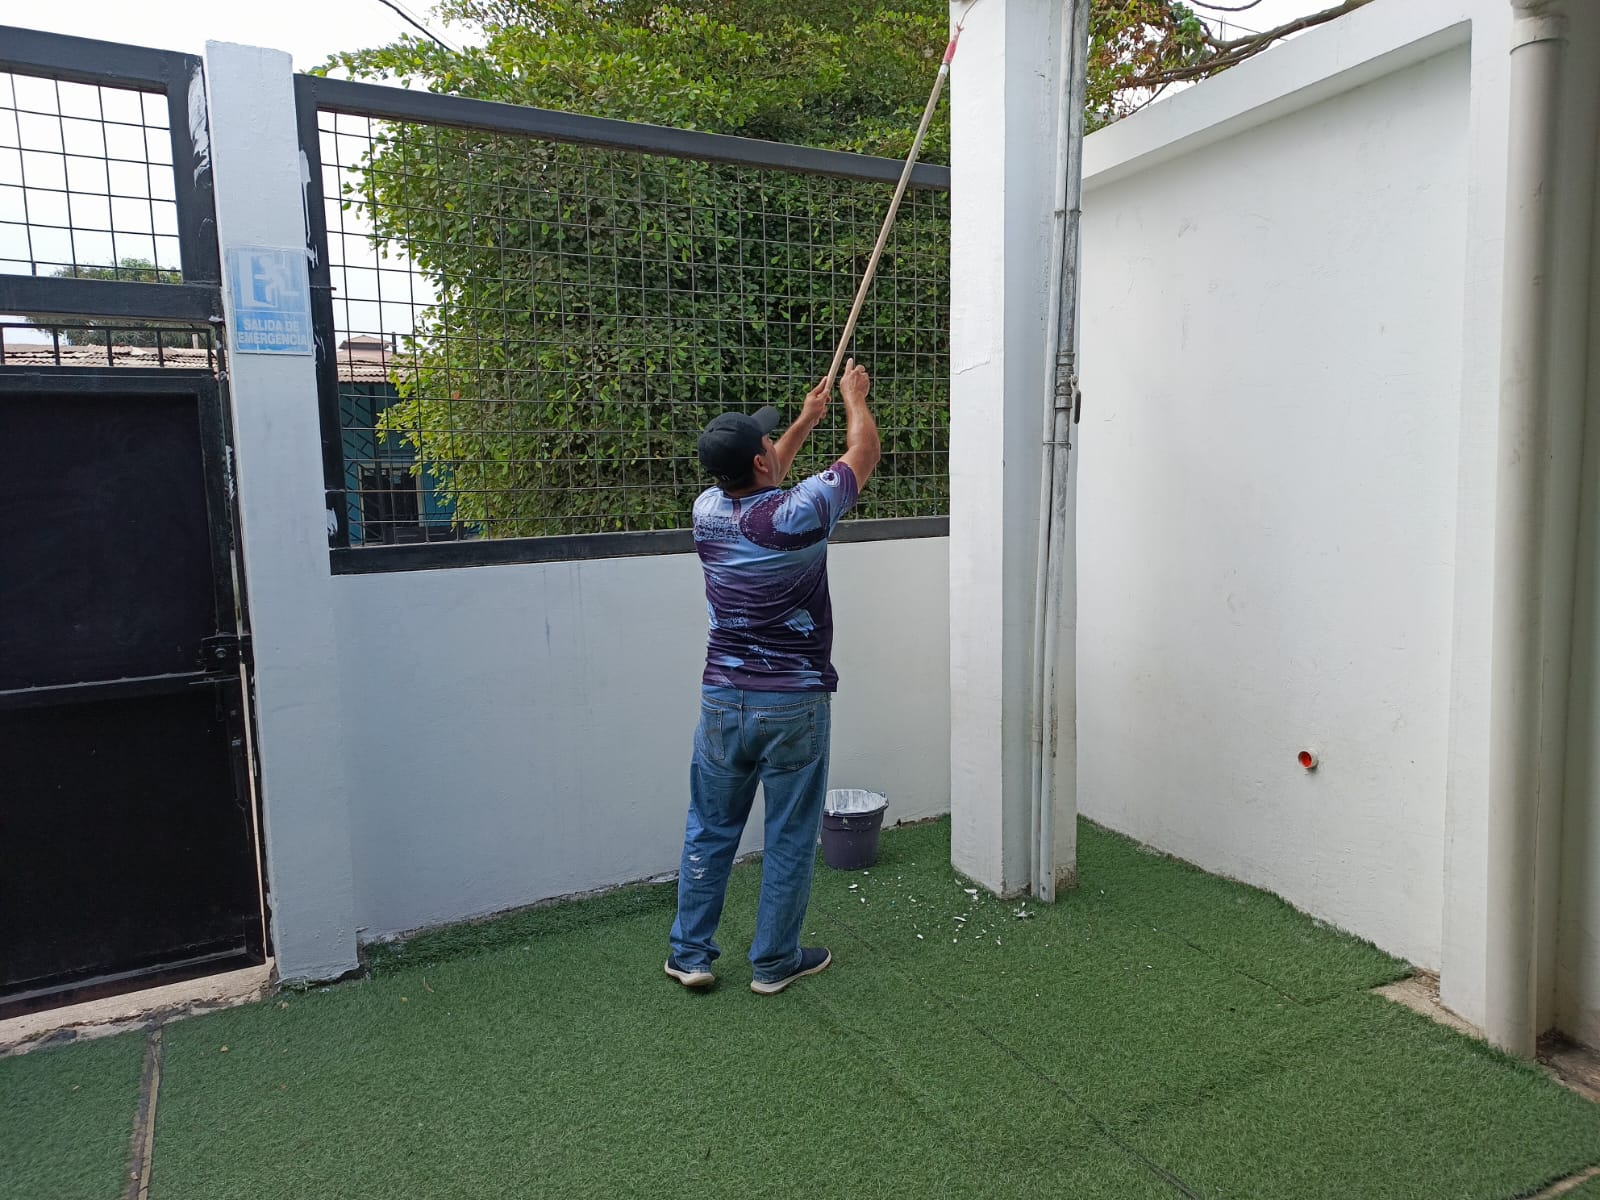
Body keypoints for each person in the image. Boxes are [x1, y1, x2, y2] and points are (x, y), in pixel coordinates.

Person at [665, 358, 881, 994]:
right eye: (767, 440)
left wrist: (805, 420)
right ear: (760, 461)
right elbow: (864, 453)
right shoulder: (798, 516)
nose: (772, 446)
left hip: (721, 700)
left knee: (710, 827)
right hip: (793, 705)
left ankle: (690, 955)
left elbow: (768, 474)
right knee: (788, 837)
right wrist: (853, 398)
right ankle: (774, 962)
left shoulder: (707, 511)